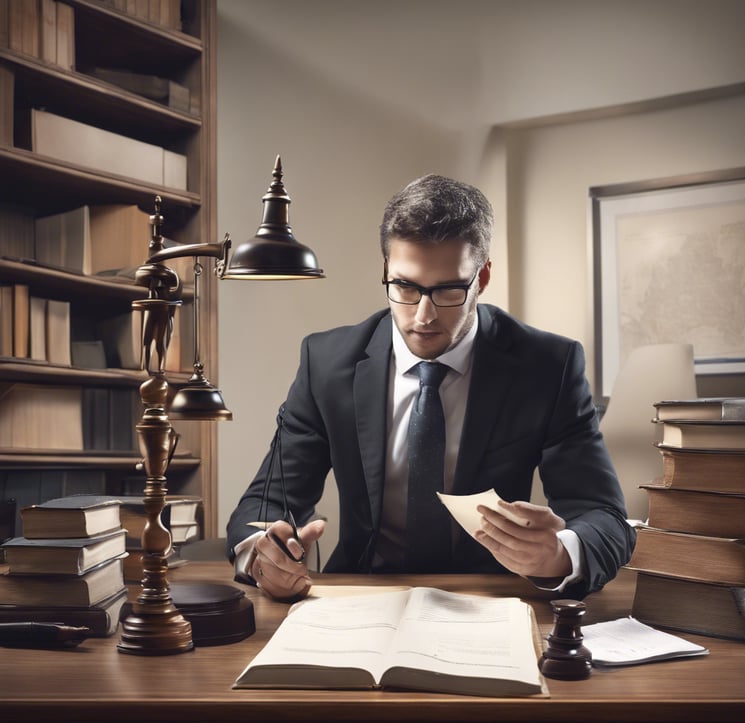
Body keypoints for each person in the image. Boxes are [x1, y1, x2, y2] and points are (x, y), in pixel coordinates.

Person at [226, 174, 635, 602]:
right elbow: (266, 502)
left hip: (492, 603)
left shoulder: (548, 367)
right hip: (356, 600)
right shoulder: (326, 363)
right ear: (385, 270)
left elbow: (604, 518)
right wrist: (261, 553)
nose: (423, 315)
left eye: (448, 290)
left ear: (483, 277)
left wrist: (559, 555)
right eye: (404, 286)